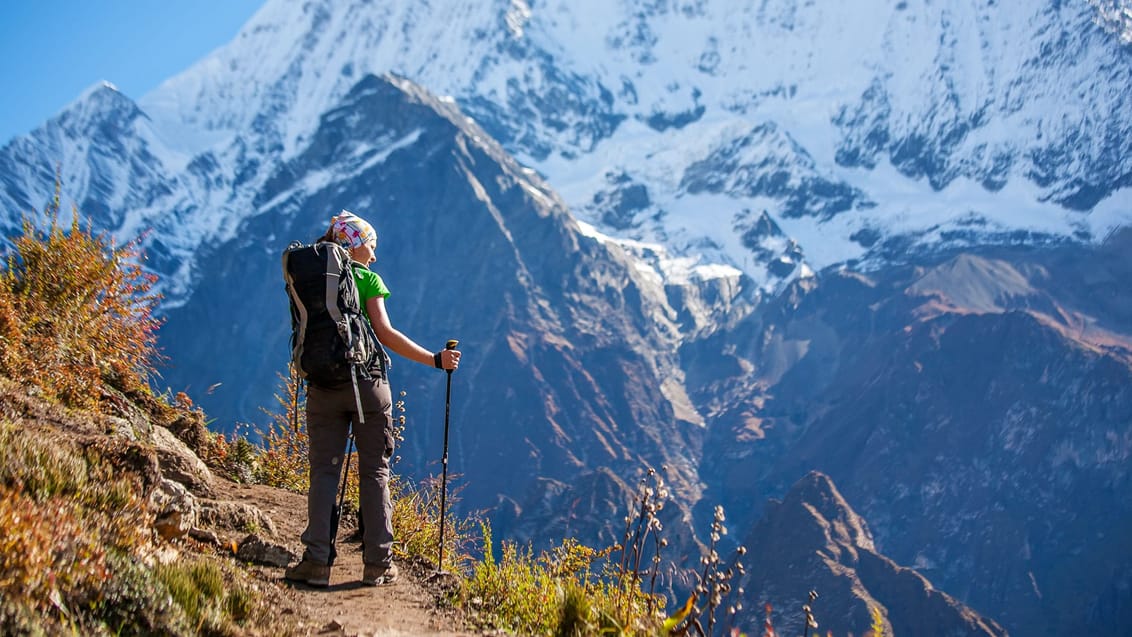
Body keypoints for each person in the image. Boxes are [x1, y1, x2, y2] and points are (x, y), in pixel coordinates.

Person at [284, 210, 461, 587]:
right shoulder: (365, 278)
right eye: (370, 245)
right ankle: (379, 563)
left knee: (324, 472)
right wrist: (434, 359)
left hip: (321, 386)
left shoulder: (309, 277)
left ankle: (316, 562)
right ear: (352, 244)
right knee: (374, 472)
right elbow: (385, 333)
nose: (374, 255)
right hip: (366, 386)